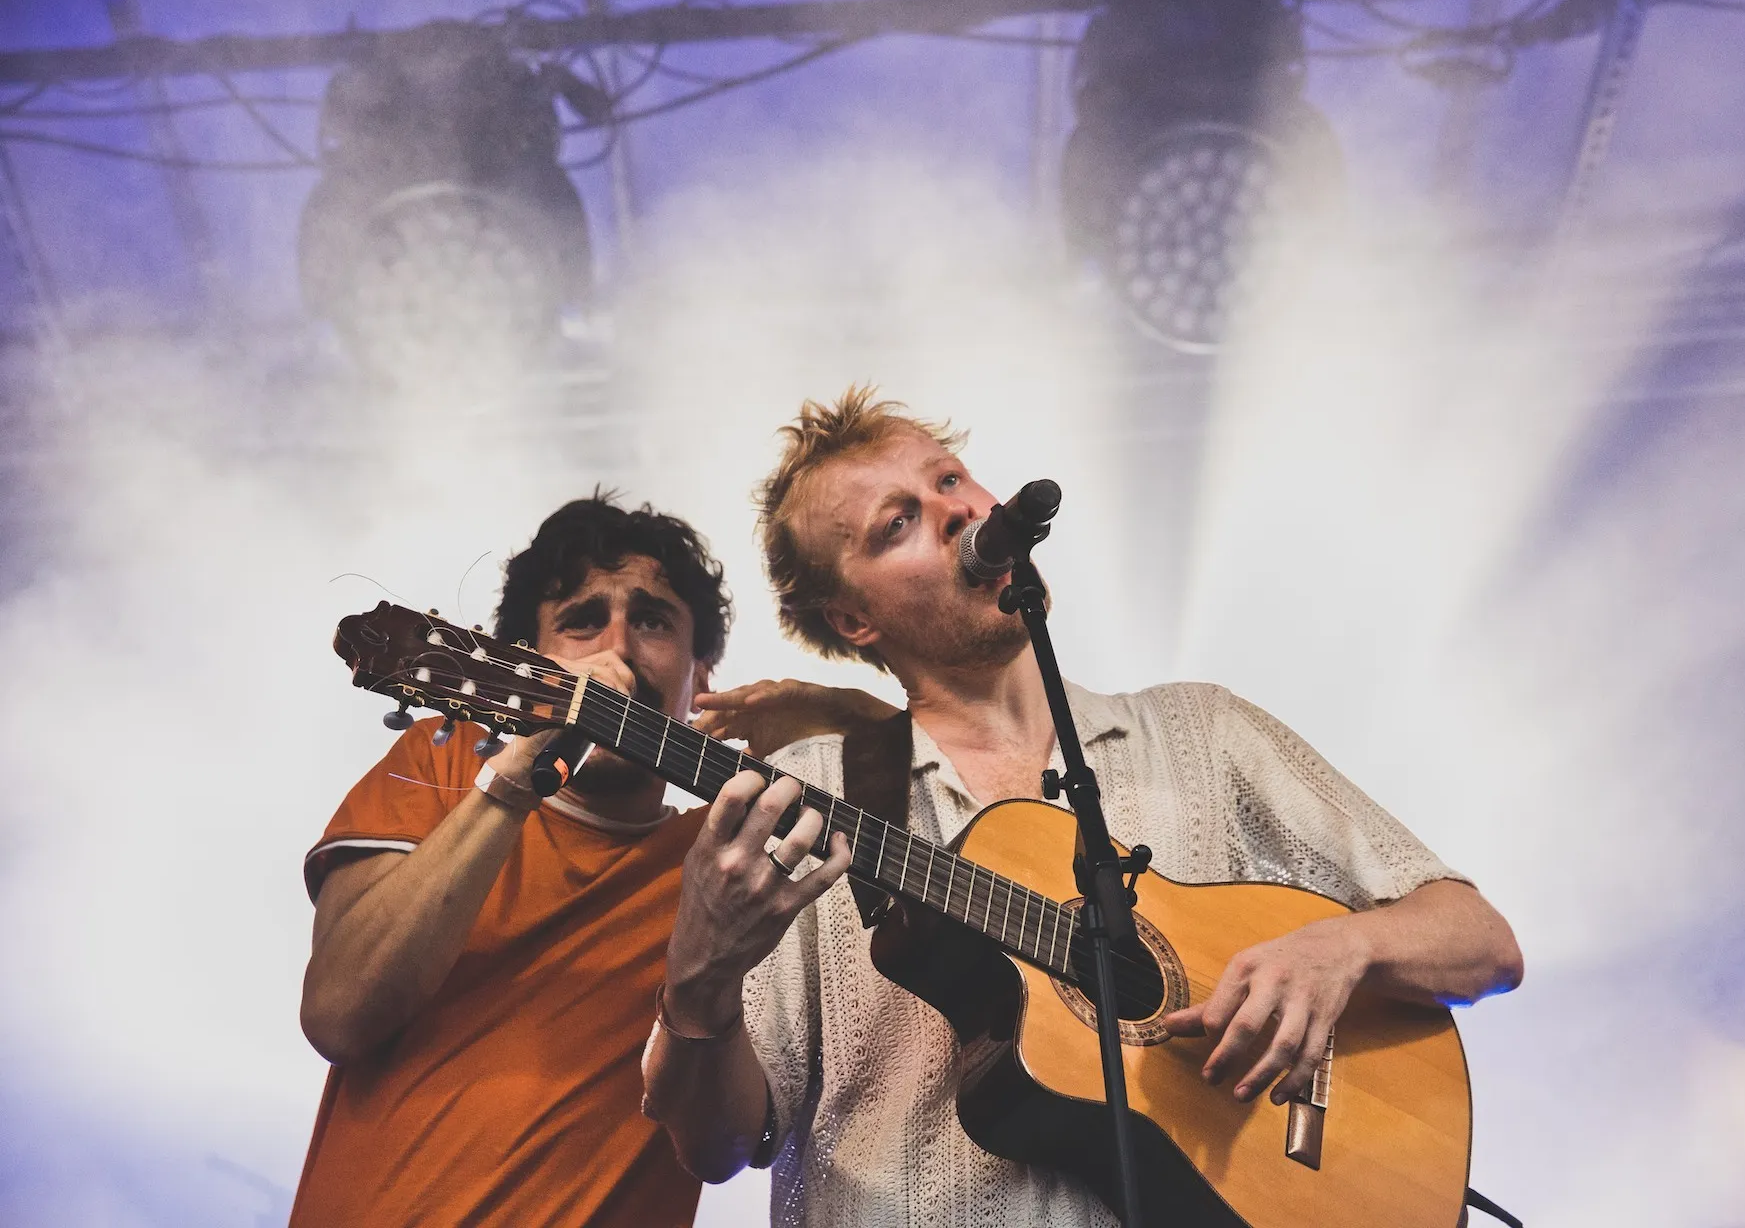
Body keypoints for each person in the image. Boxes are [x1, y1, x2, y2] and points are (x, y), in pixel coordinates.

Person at [643, 389, 1527, 1226]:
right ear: (853, 620)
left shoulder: (1205, 733)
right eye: (898, 523)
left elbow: (1481, 941)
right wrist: (701, 976)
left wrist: (1343, 947)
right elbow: (718, 1143)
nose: (955, 511)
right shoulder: (807, 800)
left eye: (949, 479)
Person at [292, 492, 742, 1226]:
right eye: (581, 620)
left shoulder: (730, 864)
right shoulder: (438, 763)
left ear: (704, 679)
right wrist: (520, 773)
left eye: (653, 620)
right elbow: (339, 1014)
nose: (618, 649)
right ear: (526, 663)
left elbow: (731, 1143)